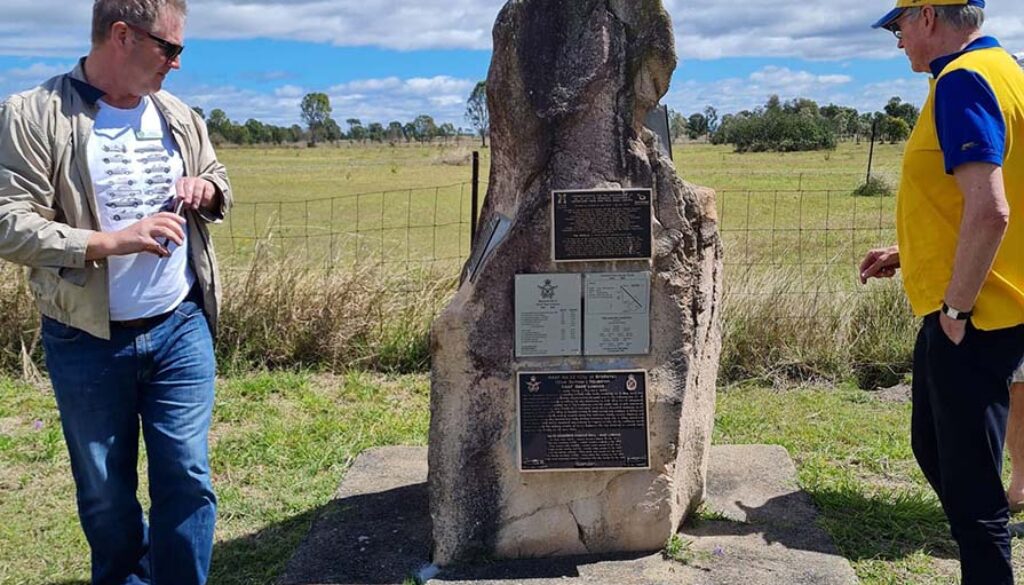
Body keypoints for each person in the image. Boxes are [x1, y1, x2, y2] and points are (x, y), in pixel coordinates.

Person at [0, 1, 231, 583]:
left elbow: (218, 176)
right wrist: (109, 241)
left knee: (186, 474)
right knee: (106, 494)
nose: (177, 64)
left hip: (179, 324)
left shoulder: (178, 114)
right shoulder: (34, 113)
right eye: (169, 48)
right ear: (122, 36)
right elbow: (7, 222)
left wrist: (206, 188)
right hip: (85, 338)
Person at [859, 1, 1024, 583]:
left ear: (926, 16)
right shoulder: (1008, 71)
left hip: (973, 315)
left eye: (899, 26)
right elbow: (991, 201)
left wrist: (956, 308)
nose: (898, 40)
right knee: (934, 446)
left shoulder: (961, 82)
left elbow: (992, 211)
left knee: (972, 486)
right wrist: (910, 253)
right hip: (982, 305)